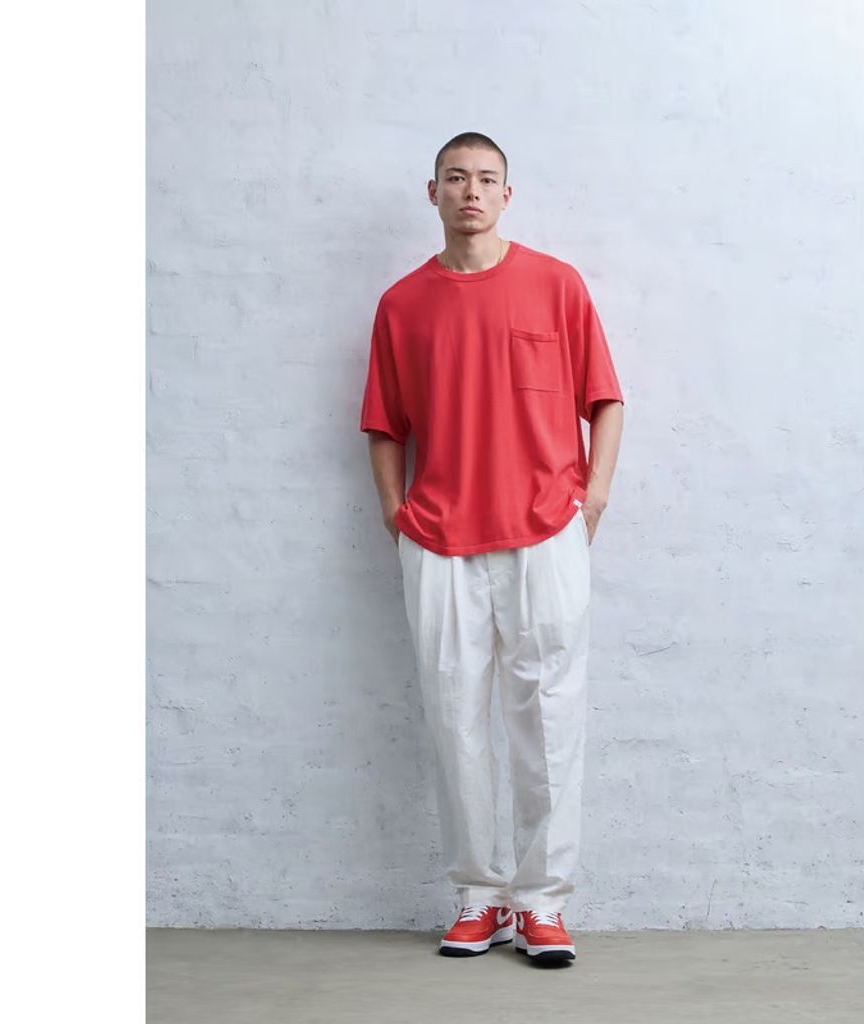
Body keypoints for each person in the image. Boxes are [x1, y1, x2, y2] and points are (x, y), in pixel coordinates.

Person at [359, 132, 624, 964]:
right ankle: (480, 897)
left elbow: (605, 400)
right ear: (432, 192)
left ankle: (543, 903)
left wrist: (594, 496)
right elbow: (383, 423)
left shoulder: (556, 284)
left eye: (486, 179)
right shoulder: (403, 304)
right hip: (440, 540)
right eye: (455, 178)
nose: (470, 191)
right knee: (455, 721)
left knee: (549, 720)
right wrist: (396, 512)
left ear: (507, 194)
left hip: (546, 532)